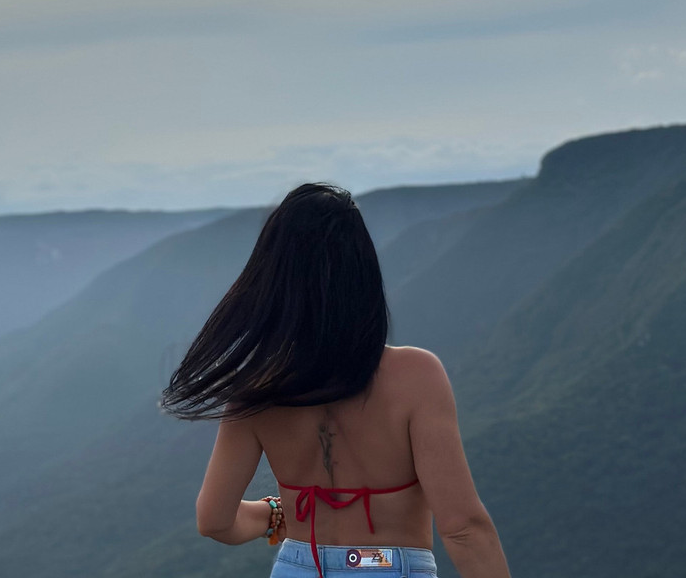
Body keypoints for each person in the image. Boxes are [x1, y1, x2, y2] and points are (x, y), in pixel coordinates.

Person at [161, 183, 511, 578]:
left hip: (296, 567)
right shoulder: (416, 376)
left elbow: (214, 520)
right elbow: (463, 528)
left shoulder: (257, 388)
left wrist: (275, 513)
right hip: (386, 566)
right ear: (362, 273)